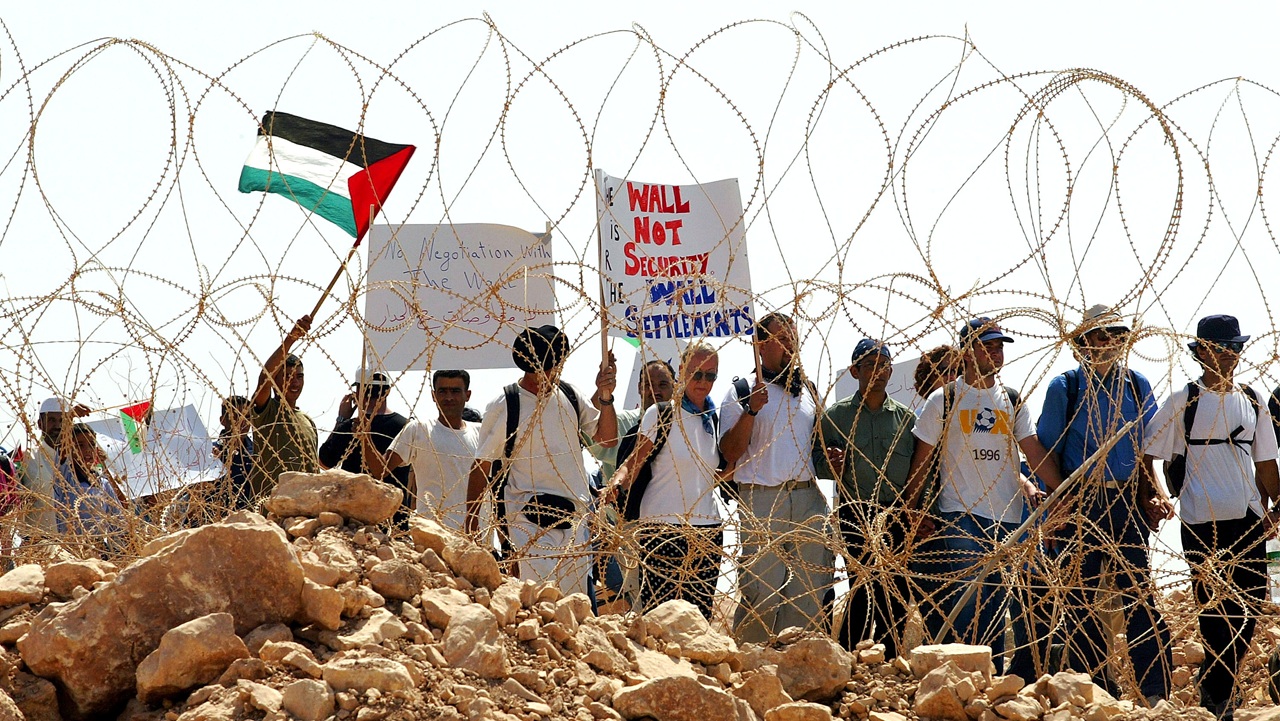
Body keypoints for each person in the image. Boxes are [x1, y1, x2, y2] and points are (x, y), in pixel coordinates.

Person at [1144, 314, 1278, 718]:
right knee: (1215, 609)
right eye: (1223, 348)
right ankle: (1218, 694)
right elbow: (1149, 453)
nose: (1232, 356)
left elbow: (1266, 461)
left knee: (1251, 605)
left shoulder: (1252, 398)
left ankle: (1222, 685)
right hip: (1203, 520)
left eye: (1236, 348)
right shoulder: (1185, 399)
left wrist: (1278, 505)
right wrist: (1159, 496)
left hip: (1249, 517)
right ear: (1202, 351)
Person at [1036, 304, 1172, 703]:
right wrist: (1059, 500)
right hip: (1082, 499)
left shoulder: (1136, 384)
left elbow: (1147, 448)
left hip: (1126, 499)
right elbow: (1046, 450)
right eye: (1101, 335)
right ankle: (1096, 687)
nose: (1110, 342)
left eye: (1117, 335)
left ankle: (1154, 689)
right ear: (1083, 344)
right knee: (1080, 597)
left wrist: (1152, 492)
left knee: (1139, 594)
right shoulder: (1066, 387)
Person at [905, 317, 1061, 665]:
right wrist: (909, 510)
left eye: (998, 346)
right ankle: (965, 682)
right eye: (986, 345)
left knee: (995, 605)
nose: (995, 352)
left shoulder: (1011, 400)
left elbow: (1031, 450)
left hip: (1007, 517)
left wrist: (1062, 489)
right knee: (967, 603)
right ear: (966, 351)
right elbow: (921, 461)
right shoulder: (943, 400)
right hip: (961, 515)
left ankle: (989, 686)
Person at [465, 325, 618, 596]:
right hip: (527, 520)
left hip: (574, 520)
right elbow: (482, 466)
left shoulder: (570, 396)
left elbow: (607, 439)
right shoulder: (506, 403)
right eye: (543, 368)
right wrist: (472, 526)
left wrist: (605, 395)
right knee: (537, 603)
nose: (548, 374)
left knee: (575, 607)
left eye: (553, 366)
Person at [720, 312, 834, 641]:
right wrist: (752, 410)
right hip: (762, 499)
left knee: (809, 589)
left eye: (792, 340)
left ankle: (792, 663)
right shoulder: (742, 390)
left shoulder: (807, 391)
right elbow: (729, 452)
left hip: (806, 497)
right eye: (780, 339)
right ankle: (753, 663)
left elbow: (818, 446)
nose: (789, 347)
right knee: (762, 588)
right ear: (760, 345)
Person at [814, 338, 916, 657]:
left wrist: (917, 509)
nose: (879, 371)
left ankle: (887, 658)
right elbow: (818, 463)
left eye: (884, 364)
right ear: (855, 370)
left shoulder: (905, 419)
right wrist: (830, 463)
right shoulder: (836, 417)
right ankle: (849, 657)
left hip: (896, 513)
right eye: (870, 364)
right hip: (855, 512)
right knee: (863, 585)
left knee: (896, 590)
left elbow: (919, 468)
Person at [607, 343, 724, 618]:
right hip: (663, 529)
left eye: (710, 376)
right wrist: (616, 483)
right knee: (660, 617)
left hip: (707, 531)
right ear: (682, 372)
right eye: (697, 374)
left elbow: (715, 472)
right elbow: (634, 461)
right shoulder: (661, 413)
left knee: (699, 619)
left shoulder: (713, 419)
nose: (703, 382)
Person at [378, 370, 479, 531]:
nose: (449, 398)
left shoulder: (481, 433)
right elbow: (380, 469)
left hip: (476, 533)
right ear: (434, 395)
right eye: (442, 391)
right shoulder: (419, 430)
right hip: (433, 534)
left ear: (467, 395)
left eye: (455, 391)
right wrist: (365, 435)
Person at [319, 368, 411, 526]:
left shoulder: (351, 426)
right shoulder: (405, 426)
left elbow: (325, 463)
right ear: (387, 392)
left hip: (354, 520)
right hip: (393, 520)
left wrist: (341, 419)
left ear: (357, 392)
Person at [248, 315, 319, 501]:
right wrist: (291, 339)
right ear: (276, 380)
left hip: (301, 510)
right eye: (287, 376)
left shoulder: (308, 421)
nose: (294, 382)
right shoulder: (268, 411)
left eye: (299, 376)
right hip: (268, 506)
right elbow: (264, 380)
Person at [18, 397, 90, 543]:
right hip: (37, 546)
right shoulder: (27, 457)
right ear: (40, 424)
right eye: (51, 420)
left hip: (76, 546)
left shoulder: (77, 460)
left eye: (62, 421)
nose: (57, 426)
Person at [59, 423, 129, 557]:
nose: (87, 450)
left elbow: (119, 514)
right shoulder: (65, 479)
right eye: (80, 445)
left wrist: (104, 464)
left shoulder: (101, 482)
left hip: (99, 550)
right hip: (72, 551)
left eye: (91, 444)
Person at [212, 395, 255, 512]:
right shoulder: (211, 452)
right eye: (237, 417)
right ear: (223, 420)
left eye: (247, 417)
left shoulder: (257, 453)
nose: (244, 423)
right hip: (214, 520)